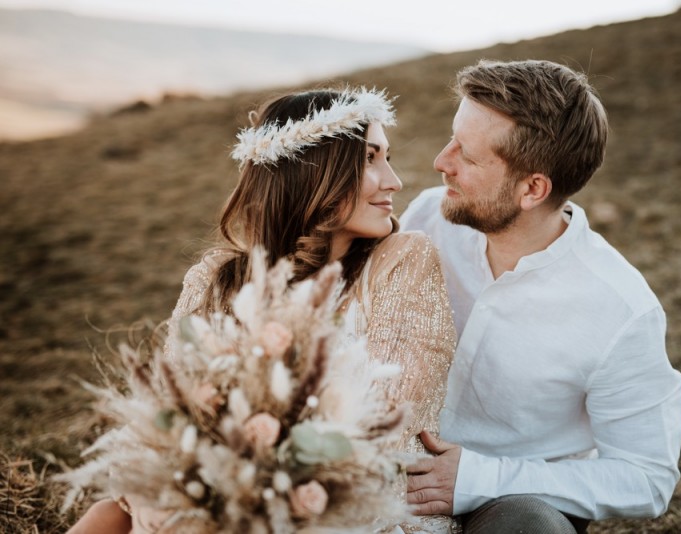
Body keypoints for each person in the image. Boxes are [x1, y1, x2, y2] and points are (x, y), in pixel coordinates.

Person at [67, 88, 457, 534]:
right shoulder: (215, 279)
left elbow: (394, 423)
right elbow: (169, 416)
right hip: (220, 496)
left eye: (385, 157)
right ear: (314, 172)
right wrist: (160, 491)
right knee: (115, 513)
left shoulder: (402, 261)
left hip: (355, 508)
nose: (393, 180)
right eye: (370, 159)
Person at [401, 59, 681, 534]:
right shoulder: (430, 217)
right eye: (453, 138)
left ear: (533, 188)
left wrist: (476, 478)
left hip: (511, 502)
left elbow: (647, 478)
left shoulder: (621, 310)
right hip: (393, 464)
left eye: (467, 157)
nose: (441, 161)